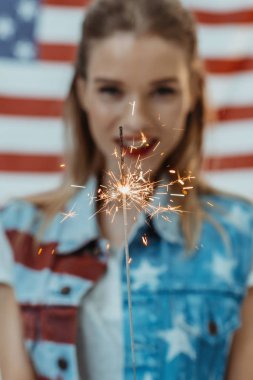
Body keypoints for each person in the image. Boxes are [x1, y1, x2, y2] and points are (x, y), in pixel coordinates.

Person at [0, 0, 253, 379]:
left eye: (163, 91)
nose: (135, 119)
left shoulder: (239, 233)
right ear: (82, 92)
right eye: (111, 91)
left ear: (193, 93)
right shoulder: (17, 233)